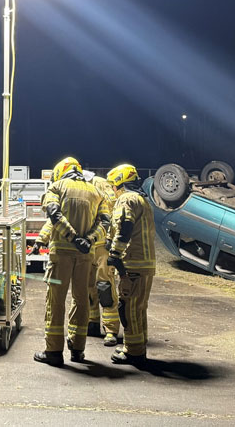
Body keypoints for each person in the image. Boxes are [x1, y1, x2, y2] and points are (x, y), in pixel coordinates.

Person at [33, 157, 109, 367]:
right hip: (86, 256)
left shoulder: (57, 187)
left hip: (61, 256)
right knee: (81, 299)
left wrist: (72, 237)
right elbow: (105, 222)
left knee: (55, 301)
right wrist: (89, 240)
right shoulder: (96, 192)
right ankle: (77, 349)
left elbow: (54, 215)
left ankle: (54, 351)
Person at [105, 164, 156, 366]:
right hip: (145, 263)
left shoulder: (126, 199)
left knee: (128, 309)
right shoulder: (142, 200)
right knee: (139, 308)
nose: (112, 190)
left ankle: (134, 353)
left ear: (119, 183)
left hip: (132, 263)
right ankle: (137, 346)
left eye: (112, 186)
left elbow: (124, 227)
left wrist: (114, 252)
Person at [82, 169, 120, 347]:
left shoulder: (99, 184)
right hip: (87, 245)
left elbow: (111, 208)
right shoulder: (78, 186)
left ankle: (111, 329)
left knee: (104, 285)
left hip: (103, 245)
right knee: (88, 285)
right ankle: (92, 322)